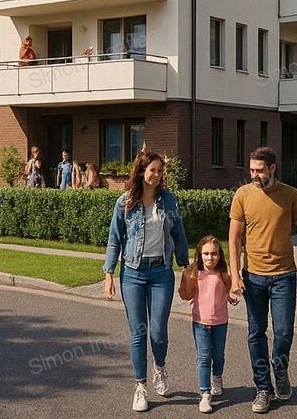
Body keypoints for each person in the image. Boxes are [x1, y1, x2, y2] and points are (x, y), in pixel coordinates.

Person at [229, 148, 297, 414]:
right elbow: (234, 239)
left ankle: (280, 367)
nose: (254, 175)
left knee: (284, 332)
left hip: (284, 275)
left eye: (259, 170)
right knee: (256, 333)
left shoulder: (291, 195)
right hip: (253, 277)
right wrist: (235, 275)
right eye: (251, 170)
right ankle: (263, 387)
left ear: (272, 168)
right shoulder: (242, 195)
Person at [103, 151, 190, 413]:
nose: (157, 175)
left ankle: (159, 368)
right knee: (138, 333)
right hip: (132, 274)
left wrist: (185, 266)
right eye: (153, 170)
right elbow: (114, 239)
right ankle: (140, 386)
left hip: (161, 273)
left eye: (160, 171)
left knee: (158, 332)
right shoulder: (125, 202)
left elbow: (178, 233)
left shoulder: (169, 200)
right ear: (142, 171)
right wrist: (109, 273)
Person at [179, 236, 239, 414]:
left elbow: (226, 290)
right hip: (200, 322)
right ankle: (205, 394)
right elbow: (186, 294)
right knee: (204, 357)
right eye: (205, 253)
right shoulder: (195, 274)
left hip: (220, 322)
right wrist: (186, 279)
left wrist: (230, 297)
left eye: (214, 253)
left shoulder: (222, 274)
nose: (210, 257)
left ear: (219, 255)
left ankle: (217, 377)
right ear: (199, 255)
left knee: (218, 355)